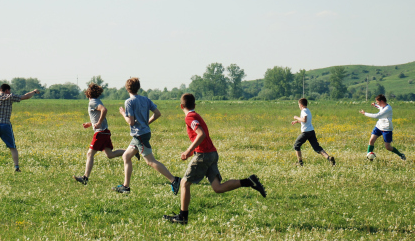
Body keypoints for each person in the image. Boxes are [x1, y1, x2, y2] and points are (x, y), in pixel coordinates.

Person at [162, 93, 266, 225]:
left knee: (184, 183)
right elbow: (201, 136)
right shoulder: (197, 115)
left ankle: (182, 217)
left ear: (181, 106)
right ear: (194, 105)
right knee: (217, 187)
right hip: (211, 153)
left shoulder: (190, 117)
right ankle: (249, 181)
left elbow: (201, 134)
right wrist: (192, 151)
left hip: (203, 155)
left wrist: (189, 150)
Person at [112, 77, 180, 194]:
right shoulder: (145, 99)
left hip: (139, 135)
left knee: (150, 161)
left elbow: (131, 122)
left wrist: (123, 113)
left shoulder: (129, 102)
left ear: (127, 88)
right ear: (138, 87)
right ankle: (126, 187)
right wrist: (146, 122)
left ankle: (174, 180)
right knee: (126, 156)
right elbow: (157, 113)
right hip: (143, 133)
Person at [73, 83, 138, 185]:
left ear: (88, 93)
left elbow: (104, 110)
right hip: (105, 132)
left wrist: (98, 123)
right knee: (110, 154)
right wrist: (91, 123)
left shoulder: (93, 102)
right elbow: (99, 114)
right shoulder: (96, 101)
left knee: (90, 154)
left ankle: (85, 178)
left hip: (101, 132)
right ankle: (132, 151)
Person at [359, 94, 406, 160]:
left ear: (381, 101)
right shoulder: (382, 106)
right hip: (378, 127)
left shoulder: (388, 109)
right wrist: (375, 105)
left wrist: (365, 113)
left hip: (386, 129)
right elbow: (379, 107)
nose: (377, 103)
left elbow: (377, 116)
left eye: (378, 102)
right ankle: (369, 157)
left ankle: (401, 155)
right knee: (371, 140)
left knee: (388, 147)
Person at [291, 98, 335, 166]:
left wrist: (296, 117)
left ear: (301, 105)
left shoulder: (303, 111)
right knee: (316, 147)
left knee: (296, 145)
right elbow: (305, 121)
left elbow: (304, 120)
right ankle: (329, 158)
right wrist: (297, 121)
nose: (299, 106)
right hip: (311, 131)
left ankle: (300, 163)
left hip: (306, 132)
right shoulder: (308, 110)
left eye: (299, 105)